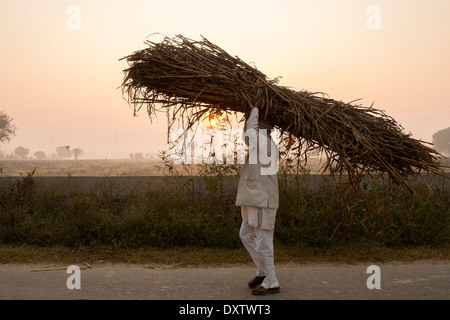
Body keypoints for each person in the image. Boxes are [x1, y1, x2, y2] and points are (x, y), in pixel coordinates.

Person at [235, 98, 280, 295]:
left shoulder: (264, 143)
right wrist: (251, 114)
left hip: (263, 200)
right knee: (245, 234)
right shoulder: (260, 143)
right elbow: (248, 135)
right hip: (255, 198)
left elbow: (250, 132)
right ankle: (263, 272)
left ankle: (272, 282)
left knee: (264, 242)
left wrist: (254, 108)